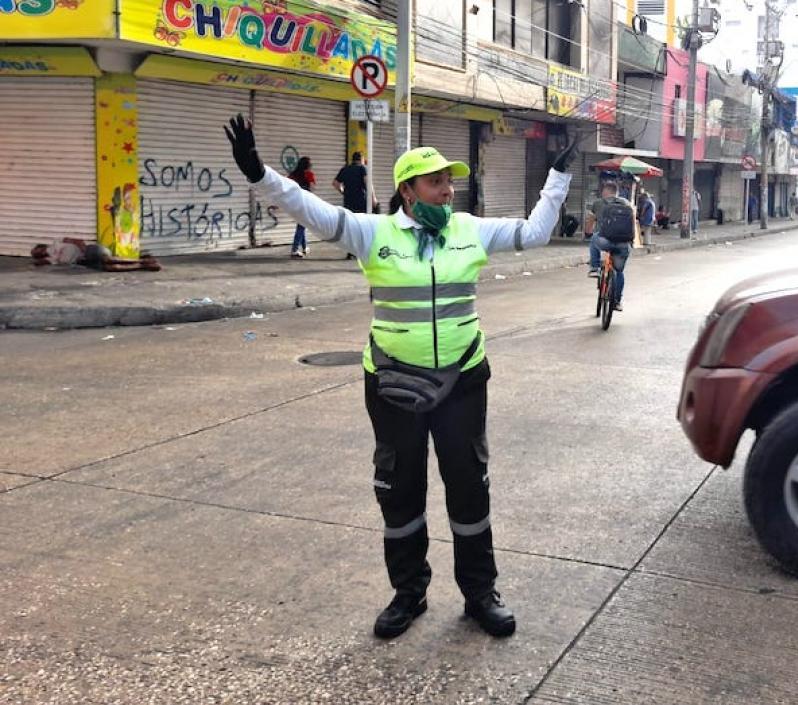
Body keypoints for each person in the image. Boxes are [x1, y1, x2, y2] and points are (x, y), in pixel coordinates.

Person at [224, 114, 577, 640]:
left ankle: (480, 593)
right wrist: (260, 174)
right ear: (408, 192)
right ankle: (408, 593)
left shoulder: (468, 230)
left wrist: (558, 176)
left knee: (469, 489)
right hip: (391, 385)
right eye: (436, 181)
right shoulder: (374, 233)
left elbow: (535, 232)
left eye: (449, 181)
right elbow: (312, 211)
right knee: (399, 491)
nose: (447, 189)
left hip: (462, 382)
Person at [587, 181, 633, 310]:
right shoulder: (626, 203)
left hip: (605, 241)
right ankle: (617, 301)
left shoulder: (598, 203)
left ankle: (595, 267)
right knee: (619, 272)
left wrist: (588, 232)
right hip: (623, 243)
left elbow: (590, 221)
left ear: (605, 191)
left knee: (594, 238)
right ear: (617, 192)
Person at [287, 156, 314, 258]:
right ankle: (294, 249)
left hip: (294, 203)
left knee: (302, 224)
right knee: (301, 225)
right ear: (308, 166)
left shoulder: (293, 175)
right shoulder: (309, 174)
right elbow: (311, 188)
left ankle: (304, 247)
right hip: (305, 202)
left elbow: (286, 186)